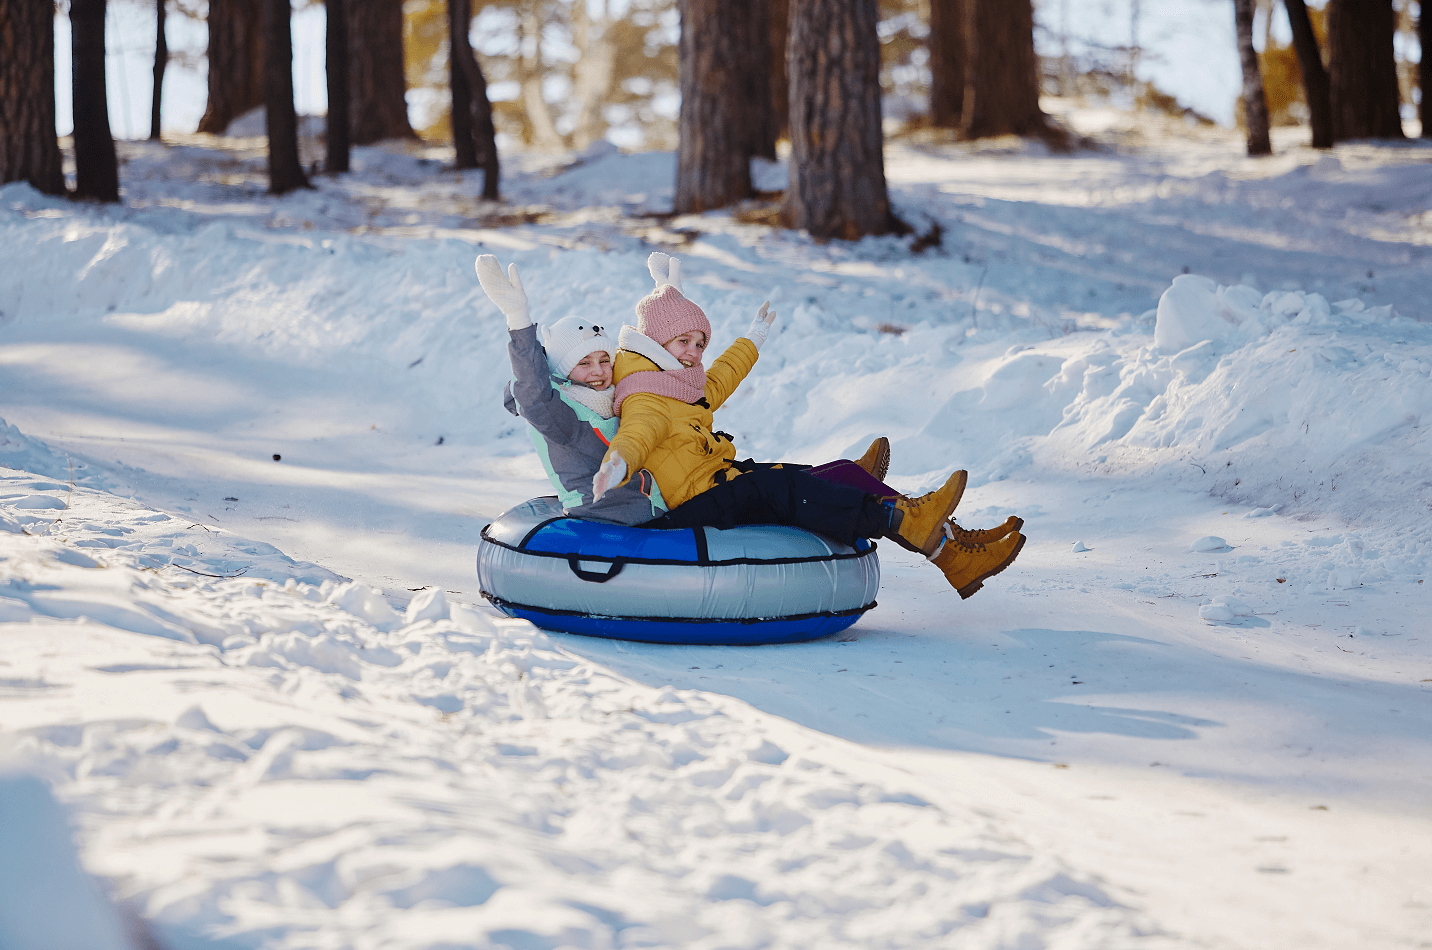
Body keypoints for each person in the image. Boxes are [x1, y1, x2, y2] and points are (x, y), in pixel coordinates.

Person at [592, 253, 1025, 599]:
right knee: (776, 489)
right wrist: (617, 464)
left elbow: (720, 378)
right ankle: (903, 519)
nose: (693, 353)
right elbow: (637, 435)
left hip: (715, 484)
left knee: (796, 475)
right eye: (683, 342)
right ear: (655, 342)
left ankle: (945, 540)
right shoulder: (646, 394)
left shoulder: (679, 383)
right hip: (689, 507)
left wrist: (752, 340)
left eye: (699, 343)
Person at [476, 254, 665, 525]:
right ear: (564, 371)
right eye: (584, 363)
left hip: (641, 508)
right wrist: (519, 320)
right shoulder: (564, 414)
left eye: (604, 361)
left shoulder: (615, 398)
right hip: (601, 513)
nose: (598, 371)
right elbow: (533, 395)